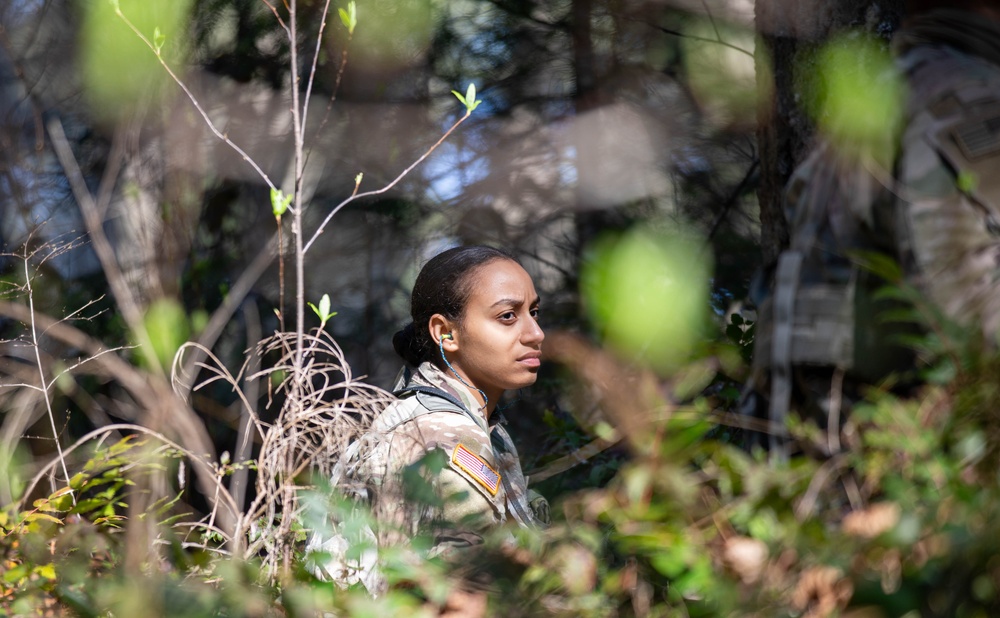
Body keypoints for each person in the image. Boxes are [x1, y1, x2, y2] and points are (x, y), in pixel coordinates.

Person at [745, 0, 1000, 460]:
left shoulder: (889, 96)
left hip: (826, 455)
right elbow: (965, 297)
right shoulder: (967, 94)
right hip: (899, 461)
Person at [309, 245, 548, 592]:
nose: (535, 334)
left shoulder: (460, 421)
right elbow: (466, 599)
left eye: (534, 312)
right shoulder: (445, 438)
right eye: (508, 316)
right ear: (445, 333)